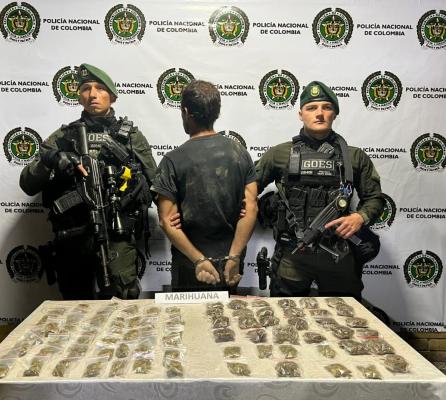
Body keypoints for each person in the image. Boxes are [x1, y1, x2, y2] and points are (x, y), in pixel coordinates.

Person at [19, 63, 156, 300]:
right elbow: (27, 184)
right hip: (73, 235)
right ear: (79, 97)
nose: (92, 94)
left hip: (116, 234)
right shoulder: (64, 137)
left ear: (112, 96)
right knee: (74, 303)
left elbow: (156, 184)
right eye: (85, 89)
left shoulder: (131, 137)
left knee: (123, 298)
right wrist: (52, 159)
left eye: (100, 88)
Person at [255, 81, 384, 300]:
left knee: (345, 315)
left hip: (339, 254)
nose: (320, 113)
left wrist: (359, 217)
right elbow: (248, 190)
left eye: (327, 107)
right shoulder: (279, 154)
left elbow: (375, 198)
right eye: (312, 108)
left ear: (335, 114)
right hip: (292, 255)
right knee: (286, 315)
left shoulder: (354, 157)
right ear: (301, 114)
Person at [151, 80, 258, 291]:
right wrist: (234, 256)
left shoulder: (173, 160)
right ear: (216, 112)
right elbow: (251, 208)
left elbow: (166, 220)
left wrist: (199, 260)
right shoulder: (240, 153)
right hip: (230, 264)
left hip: (190, 265)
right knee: (228, 312)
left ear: (185, 112)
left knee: (188, 313)